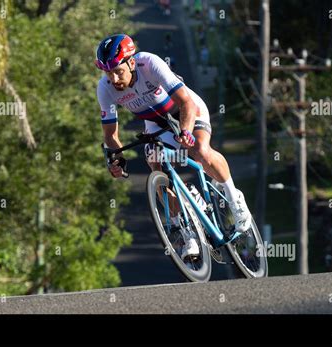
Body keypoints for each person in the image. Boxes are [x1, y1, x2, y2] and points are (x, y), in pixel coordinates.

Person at [95, 34, 251, 260]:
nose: (114, 78)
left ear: (131, 62)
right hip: (156, 124)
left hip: (186, 110)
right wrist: (116, 161)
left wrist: (186, 131)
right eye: (108, 72)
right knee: (156, 170)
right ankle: (188, 232)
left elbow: (185, 102)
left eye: (118, 70)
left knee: (198, 150)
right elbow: (111, 134)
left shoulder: (149, 63)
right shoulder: (105, 88)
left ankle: (234, 198)